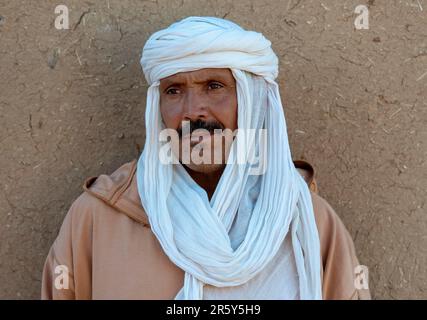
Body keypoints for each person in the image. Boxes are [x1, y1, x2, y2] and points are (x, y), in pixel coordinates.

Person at [41, 16, 371, 300]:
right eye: (174, 91)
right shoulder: (97, 220)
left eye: (214, 86)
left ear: (253, 101)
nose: (192, 112)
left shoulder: (307, 222)